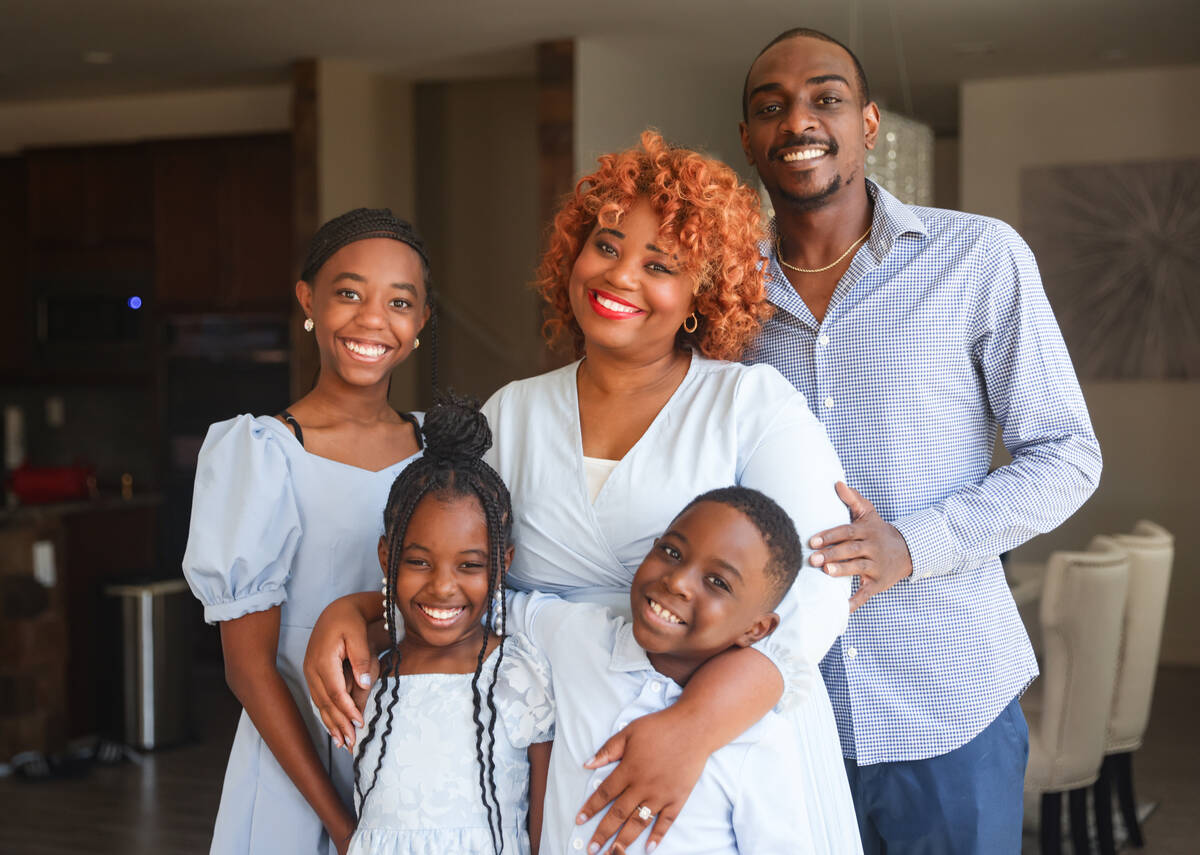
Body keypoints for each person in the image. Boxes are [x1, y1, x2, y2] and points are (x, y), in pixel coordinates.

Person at [306, 131, 864, 854]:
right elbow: (458, 564)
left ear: (702, 292)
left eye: (660, 264)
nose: (621, 275)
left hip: (729, 746)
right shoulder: (511, 414)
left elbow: (816, 592)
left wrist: (691, 730)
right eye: (606, 245)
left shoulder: (754, 406)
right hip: (565, 741)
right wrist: (360, 610)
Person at [739, 28, 1102, 853]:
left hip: (950, 704)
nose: (799, 120)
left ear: (868, 123)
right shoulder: (724, 297)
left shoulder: (978, 258)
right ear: (749, 140)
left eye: (825, 98)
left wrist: (914, 543)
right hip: (781, 716)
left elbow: (1068, 452)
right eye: (772, 107)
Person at [182, 208, 433, 855]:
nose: (373, 319)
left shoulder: (441, 452)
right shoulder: (261, 453)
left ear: (420, 322)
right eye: (349, 292)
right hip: (297, 767)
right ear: (308, 301)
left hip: (419, 755)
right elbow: (248, 668)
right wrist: (345, 828)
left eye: (399, 301)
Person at [502, 485, 819, 854]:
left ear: (756, 630)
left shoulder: (759, 742)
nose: (677, 581)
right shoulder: (578, 638)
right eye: (671, 552)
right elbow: (490, 609)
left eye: (718, 582)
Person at [349, 395, 551, 855]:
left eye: (470, 565)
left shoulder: (522, 677)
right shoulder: (367, 676)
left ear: (502, 566)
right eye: (419, 561)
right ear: (387, 557)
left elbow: (542, 831)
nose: (443, 588)